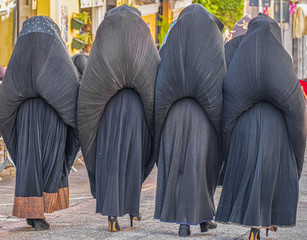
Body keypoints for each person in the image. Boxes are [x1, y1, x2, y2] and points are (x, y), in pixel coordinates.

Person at [216, 14, 306, 240]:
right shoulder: (282, 59)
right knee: (273, 173)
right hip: (277, 129)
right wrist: (297, 159)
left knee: (252, 173)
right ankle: (269, 220)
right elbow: (296, 109)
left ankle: (254, 226)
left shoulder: (240, 60)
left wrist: (227, 151)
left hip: (245, 129)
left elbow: (228, 110)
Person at [77, 5, 159, 232]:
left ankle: (112, 214)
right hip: (137, 112)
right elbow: (153, 72)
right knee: (134, 160)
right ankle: (133, 210)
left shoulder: (106, 31)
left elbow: (91, 80)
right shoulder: (141, 33)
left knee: (111, 161)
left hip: (109, 111)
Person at [0, 16, 79, 230]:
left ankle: (32, 212)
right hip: (52, 116)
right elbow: (70, 87)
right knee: (49, 162)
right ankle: (39, 211)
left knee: (29, 163)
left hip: (25, 116)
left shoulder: (21, 52)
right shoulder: (56, 52)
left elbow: (7, 93)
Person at [154, 4, 225, 237]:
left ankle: (187, 222)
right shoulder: (212, 40)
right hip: (204, 116)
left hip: (173, 115)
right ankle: (201, 219)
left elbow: (160, 75)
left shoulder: (173, 38)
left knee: (179, 167)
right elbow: (220, 77)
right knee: (202, 167)